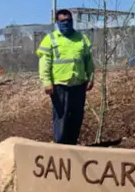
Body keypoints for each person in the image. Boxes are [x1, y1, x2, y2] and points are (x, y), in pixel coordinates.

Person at [36, 8, 94, 145]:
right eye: (62, 21)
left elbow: (88, 60)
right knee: (61, 117)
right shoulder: (50, 39)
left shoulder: (81, 38)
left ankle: (72, 146)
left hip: (78, 85)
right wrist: (46, 82)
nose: (66, 23)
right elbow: (44, 63)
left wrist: (90, 77)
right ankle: (60, 147)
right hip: (59, 85)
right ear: (57, 22)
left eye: (68, 20)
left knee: (76, 117)